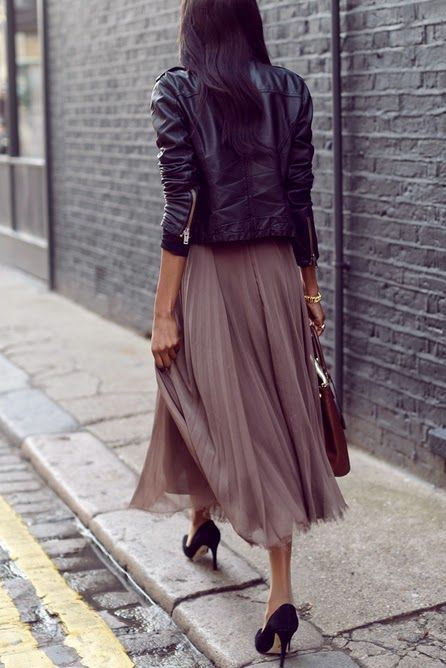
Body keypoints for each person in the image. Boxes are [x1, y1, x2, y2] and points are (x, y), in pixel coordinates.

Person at [129, 0, 348, 664]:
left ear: (195, 26)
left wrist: (164, 312)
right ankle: (225, 540)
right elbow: (299, 194)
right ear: (250, 23)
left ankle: (268, 579)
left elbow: (182, 203)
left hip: (209, 277)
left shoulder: (178, 88)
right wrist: (309, 288)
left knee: (201, 395)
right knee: (271, 413)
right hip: (277, 273)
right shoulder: (290, 90)